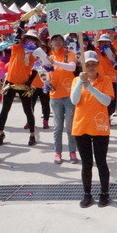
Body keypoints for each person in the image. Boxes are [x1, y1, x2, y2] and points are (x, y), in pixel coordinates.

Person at [71, 50, 114, 208]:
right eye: (87, 64)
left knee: (101, 162)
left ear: (98, 65)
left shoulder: (106, 80)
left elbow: (107, 101)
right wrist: (81, 85)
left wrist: (92, 88)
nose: (90, 67)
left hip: (99, 126)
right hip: (81, 126)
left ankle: (104, 193)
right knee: (86, 163)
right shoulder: (76, 80)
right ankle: (87, 193)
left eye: (93, 64)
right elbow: (74, 100)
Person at [0, 29, 40, 147]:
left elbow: (36, 70)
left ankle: (32, 135)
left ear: (35, 41)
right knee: (5, 109)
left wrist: (29, 81)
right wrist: (22, 22)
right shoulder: (17, 47)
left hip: (23, 85)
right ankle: (0, 133)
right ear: (24, 39)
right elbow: (16, 36)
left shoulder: (34, 54)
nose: (30, 41)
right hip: (10, 83)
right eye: (28, 38)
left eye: (33, 39)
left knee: (28, 110)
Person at [48, 34, 78, 164]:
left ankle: (72, 152)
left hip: (69, 95)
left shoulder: (69, 53)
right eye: (55, 40)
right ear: (51, 43)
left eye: (60, 40)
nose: (57, 42)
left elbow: (72, 67)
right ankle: (57, 152)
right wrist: (46, 82)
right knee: (58, 127)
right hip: (55, 96)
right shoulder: (48, 57)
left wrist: (55, 62)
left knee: (70, 126)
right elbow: (44, 74)